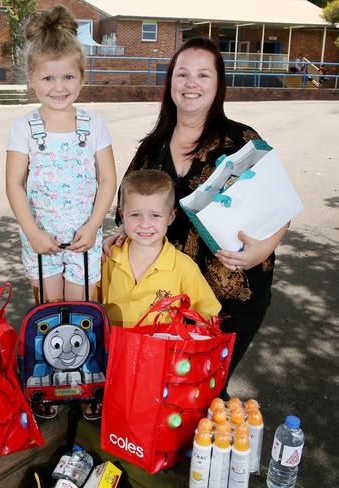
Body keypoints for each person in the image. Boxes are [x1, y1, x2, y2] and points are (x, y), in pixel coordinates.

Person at [104, 37, 288, 400]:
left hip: (233, 294)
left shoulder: (241, 141)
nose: (192, 84)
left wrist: (262, 248)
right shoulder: (152, 146)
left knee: (204, 389)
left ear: (218, 85)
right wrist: (121, 235)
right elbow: (130, 206)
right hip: (164, 300)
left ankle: (203, 454)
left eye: (203, 75)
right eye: (183, 74)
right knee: (161, 391)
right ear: (170, 82)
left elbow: (282, 204)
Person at [6, 5, 116, 305]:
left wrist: (94, 226)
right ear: (31, 79)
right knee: (49, 312)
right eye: (48, 79)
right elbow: (14, 183)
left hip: (85, 239)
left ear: (82, 77)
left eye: (68, 77)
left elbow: (107, 179)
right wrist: (31, 232)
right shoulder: (23, 127)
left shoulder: (94, 125)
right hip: (41, 240)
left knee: (80, 311)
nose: (58, 87)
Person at [100, 170, 220, 328]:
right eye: (135, 215)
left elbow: (206, 315)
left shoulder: (184, 267)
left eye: (155, 216)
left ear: (171, 217)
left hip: (161, 351)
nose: (144, 224)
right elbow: (87, 306)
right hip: (111, 350)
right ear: (122, 216)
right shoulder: (107, 258)